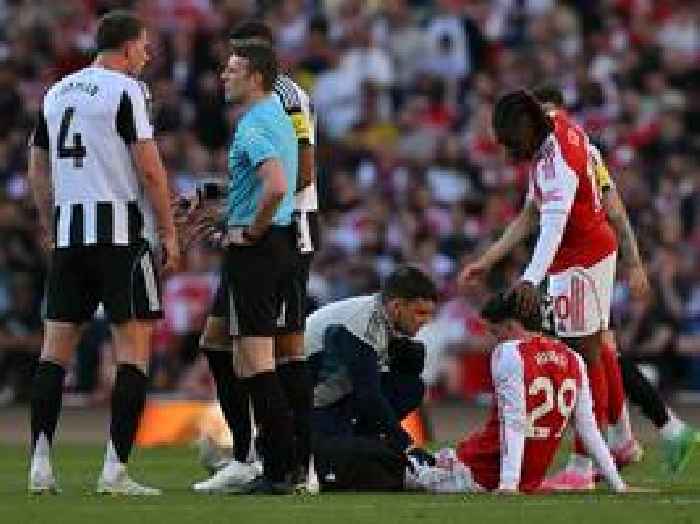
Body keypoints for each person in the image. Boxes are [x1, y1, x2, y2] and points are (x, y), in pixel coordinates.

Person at [26, 10, 179, 495]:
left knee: (54, 352)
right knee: (133, 352)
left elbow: (37, 167)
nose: (148, 54)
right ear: (128, 47)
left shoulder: (56, 92)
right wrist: (168, 231)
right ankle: (115, 471)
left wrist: (51, 224)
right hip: (120, 236)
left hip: (70, 236)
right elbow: (150, 169)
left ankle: (40, 466)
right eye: (145, 45)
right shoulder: (127, 91)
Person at [458, 89, 625, 490]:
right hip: (578, 255)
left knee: (585, 356)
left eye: (511, 143)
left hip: (583, 258)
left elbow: (552, 226)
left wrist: (531, 278)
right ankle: (613, 446)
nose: (509, 153)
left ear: (527, 129)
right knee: (589, 351)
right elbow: (531, 214)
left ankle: (584, 466)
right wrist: (491, 258)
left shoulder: (556, 163)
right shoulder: (554, 130)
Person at [532, 85, 698, 477]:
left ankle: (619, 442)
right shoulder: (574, 155)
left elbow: (616, 211)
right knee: (603, 351)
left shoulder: (577, 154)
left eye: (550, 114)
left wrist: (635, 263)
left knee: (592, 352)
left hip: (584, 262)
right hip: (582, 261)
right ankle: (646, 432)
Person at [193, 20, 319, 494]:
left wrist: (250, 228)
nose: (224, 74)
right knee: (236, 350)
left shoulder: (272, 110)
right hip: (278, 238)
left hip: (271, 243)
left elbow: (287, 181)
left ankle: (283, 466)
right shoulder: (276, 114)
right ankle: (270, 461)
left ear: (258, 70)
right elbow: (270, 180)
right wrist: (223, 208)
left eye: (234, 66)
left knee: (264, 360)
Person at [407, 291, 628, 494]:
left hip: (480, 471)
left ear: (511, 325)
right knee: (429, 458)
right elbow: (589, 429)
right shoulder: (573, 358)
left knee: (401, 471)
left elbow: (515, 422)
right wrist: (617, 484)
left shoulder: (510, 352)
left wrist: (509, 484)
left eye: (496, 332)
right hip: (518, 474)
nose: (495, 340)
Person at [305, 266, 437, 491]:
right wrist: (407, 445)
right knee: (347, 452)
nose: (425, 321)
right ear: (396, 307)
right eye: (420, 313)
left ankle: (363, 440)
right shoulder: (363, 324)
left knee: (410, 386)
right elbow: (368, 394)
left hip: (335, 392)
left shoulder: (381, 317)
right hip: (313, 400)